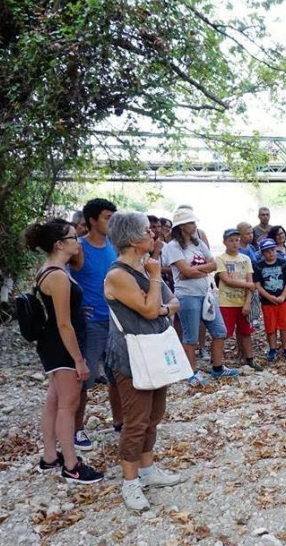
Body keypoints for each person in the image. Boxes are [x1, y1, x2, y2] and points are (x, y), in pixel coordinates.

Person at [104, 212, 184, 510]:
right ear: (134, 240)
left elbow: (172, 300)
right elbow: (153, 310)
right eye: (148, 232)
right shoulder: (119, 275)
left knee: (154, 414)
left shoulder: (143, 267)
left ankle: (148, 470)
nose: (154, 235)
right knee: (136, 420)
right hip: (130, 354)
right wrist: (154, 283)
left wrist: (159, 302)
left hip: (154, 349)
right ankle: (130, 482)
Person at [26, 219, 104, 484]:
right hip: (61, 347)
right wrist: (79, 360)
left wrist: (79, 312)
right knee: (68, 405)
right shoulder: (58, 276)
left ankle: (50, 457)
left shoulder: (51, 269)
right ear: (60, 244)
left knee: (54, 401)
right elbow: (62, 322)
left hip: (52, 345)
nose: (78, 241)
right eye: (73, 237)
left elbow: (60, 311)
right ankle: (71, 464)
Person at [162, 207, 237, 386]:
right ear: (181, 226)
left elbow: (214, 264)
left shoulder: (198, 244)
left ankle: (218, 367)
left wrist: (193, 272)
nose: (194, 225)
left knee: (220, 331)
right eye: (190, 222)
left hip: (206, 294)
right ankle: (191, 372)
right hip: (187, 296)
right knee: (191, 337)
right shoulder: (173, 247)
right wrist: (198, 271)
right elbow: (185, 271)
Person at [69, 197, 122, 449]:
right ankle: (76, 429)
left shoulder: (114, 245)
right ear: (92, 220)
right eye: (107, 218)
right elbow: (55, 273)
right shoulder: (78, 248)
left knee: (117, 374)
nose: (111, 223)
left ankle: (120, 421)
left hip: (116, 320)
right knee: (85, 379)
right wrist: (75, 308)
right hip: (91, 324)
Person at [215, 229, 262, 372]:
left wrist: (247, 302)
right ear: (224, 242)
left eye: (236, 240)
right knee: (224, 333)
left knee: (246, 332)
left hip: (243, 302)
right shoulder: (221, 259)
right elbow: (226, 280)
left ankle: (250, 359)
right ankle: (217, 361)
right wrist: (248, 285)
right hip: (226, 302)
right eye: (231, 240)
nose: (234, 243)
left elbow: (251, 282)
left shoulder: (245, 259)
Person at [254, 238, 286, 362]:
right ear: (262, 253)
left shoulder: (282, 263)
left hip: (285, 300)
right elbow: (257, 284)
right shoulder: (259, 266)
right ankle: (273, 349)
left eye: (272, 250)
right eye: (266, 251)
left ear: (276, 249)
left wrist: (283, 295)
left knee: (285, 325)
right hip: (267, 301)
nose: (270, 253)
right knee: (270, 326)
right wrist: (269, 297)